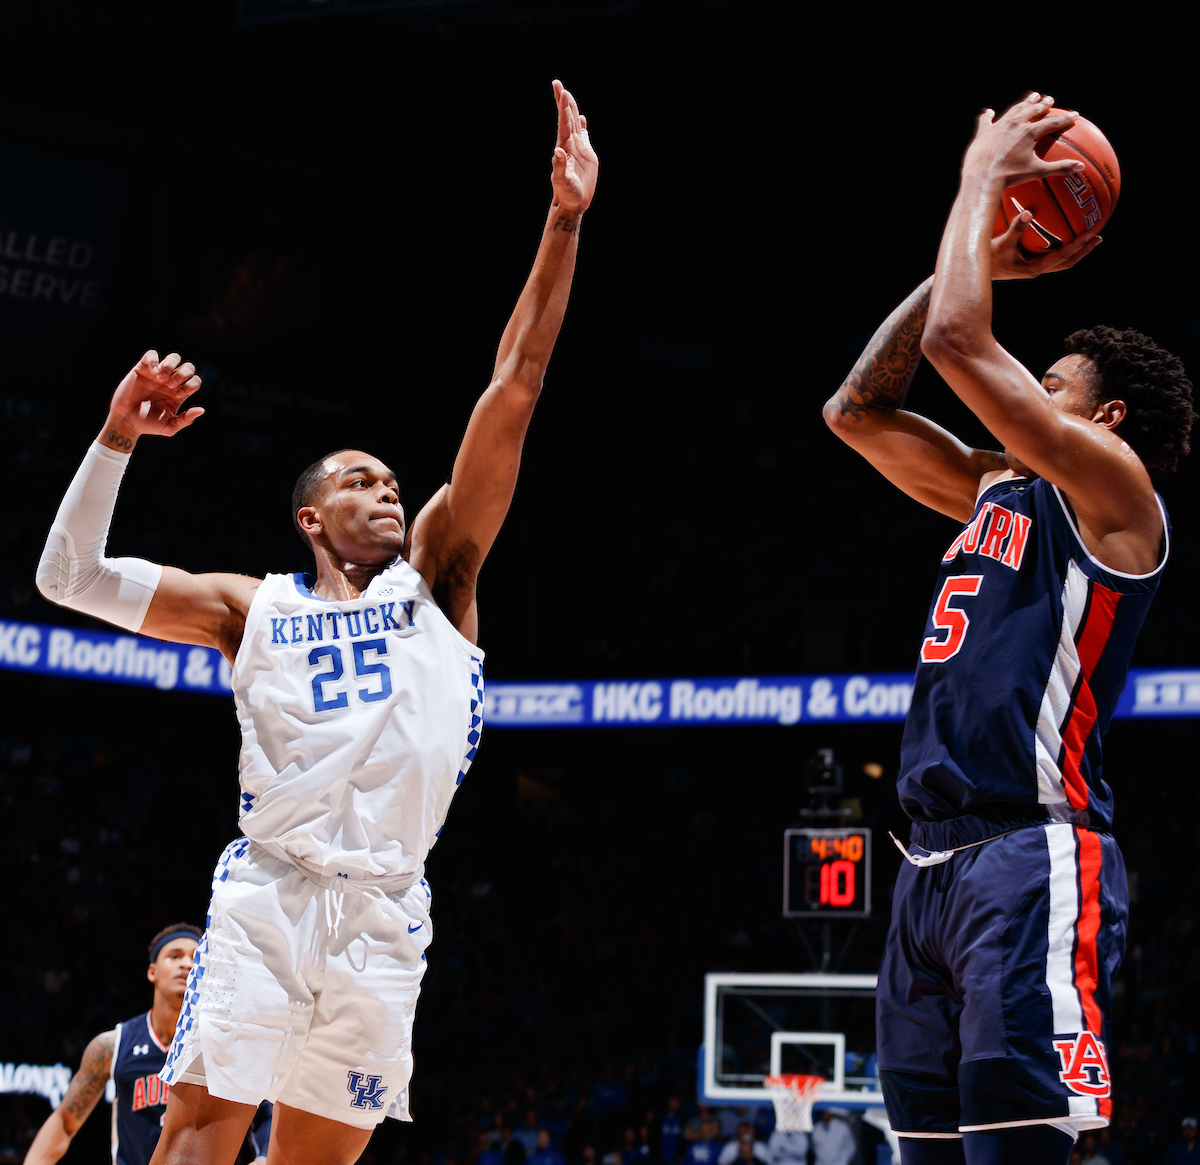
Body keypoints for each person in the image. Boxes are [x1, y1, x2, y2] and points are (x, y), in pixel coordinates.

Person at [35, 80, 598, 1165]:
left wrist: (563, 222)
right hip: (270, 893)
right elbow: (70, 580)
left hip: (387, 909)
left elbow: (515, 381)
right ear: (310, 514)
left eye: (394, 479)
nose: (389, 488)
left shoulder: (439, 576)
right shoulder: (252, 604)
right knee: (198, 1138)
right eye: (361, 479)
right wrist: (113, 438)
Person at [823, 92, 1195, 1165]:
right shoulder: (996, 485)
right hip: (926, 868)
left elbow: (954, 340)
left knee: (1018, 1153)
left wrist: (980, 184)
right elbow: (855, 412)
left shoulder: (1114, 493)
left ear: (1106, 417)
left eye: (1051, 384)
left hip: (1030, 852)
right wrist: (978, 265)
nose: (1024, 386)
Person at [23, 926, 216, 1165]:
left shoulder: (219, 1044)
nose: (186, 964)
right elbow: (64, 1123)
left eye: (195, 957)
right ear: (152, 972)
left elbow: (261, 1114)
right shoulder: (113, 1046)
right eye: (175, 956)